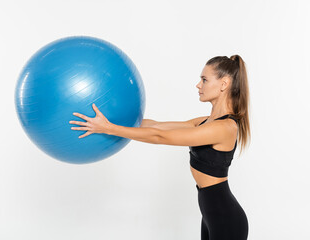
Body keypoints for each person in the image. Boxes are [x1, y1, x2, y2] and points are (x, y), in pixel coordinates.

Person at [69, 55, 250, 240]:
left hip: (226, 219)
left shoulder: (225, 128)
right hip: (211, 215)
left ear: (224, 84)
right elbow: (156, 126)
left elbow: (161, 137)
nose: (198, 85)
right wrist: (110, 120)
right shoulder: (204, 122)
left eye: (204, 80)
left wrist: (109, 129)